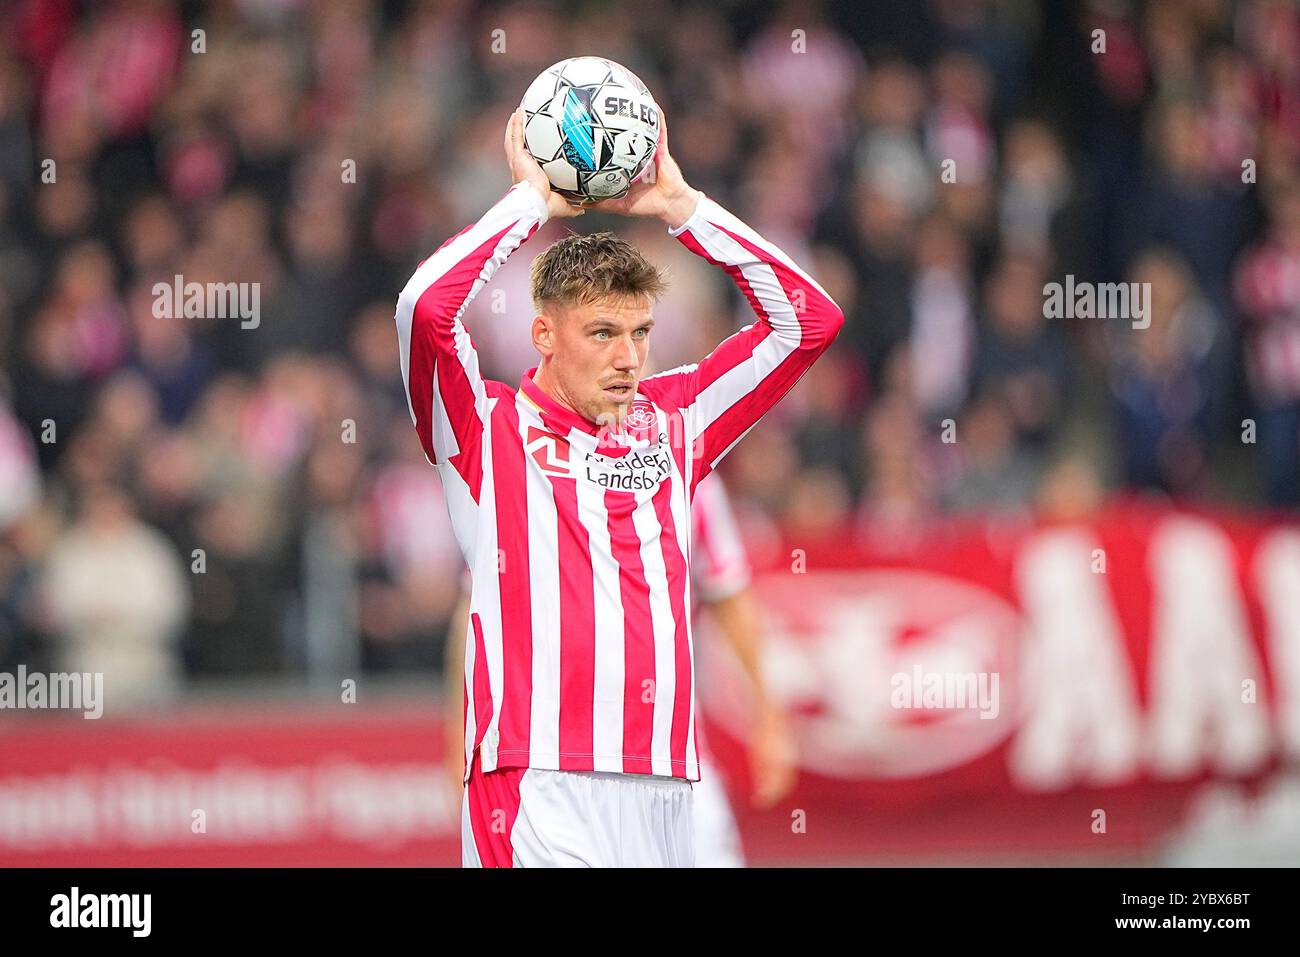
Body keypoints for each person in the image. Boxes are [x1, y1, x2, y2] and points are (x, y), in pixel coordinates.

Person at [396, 105, 842, 867]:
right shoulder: (482, 427)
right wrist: (529, 201)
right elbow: (424, 308)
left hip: (665, 784)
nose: (629, 357)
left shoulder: (679, 419)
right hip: (534, 780)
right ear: (544, 336)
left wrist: (683, 208)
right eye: (602, 333)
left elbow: (809, 321)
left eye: (640, 333)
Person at [443, 471, 797, 867]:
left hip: (674, 768)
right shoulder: (526, 471)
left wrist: (768, 717)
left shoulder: (683, 470)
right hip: (554, 770)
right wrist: (459, 741)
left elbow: (729, 595)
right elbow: (476, 613)